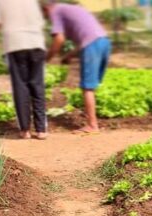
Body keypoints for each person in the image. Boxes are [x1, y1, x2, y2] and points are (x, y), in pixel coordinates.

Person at [42, 0, 111, 133]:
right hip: (104, 42)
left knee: (87, 87)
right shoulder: (72, 8)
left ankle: (92, 125)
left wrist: (47, 58)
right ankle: (93, 121)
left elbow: (59, 39)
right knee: (92, 86)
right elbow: (88, 37)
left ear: (46, 8)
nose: (47, 18)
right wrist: (69, 55)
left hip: (93, 46)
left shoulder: (55, 10)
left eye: (44, 14)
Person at [0, 0, 48, 140]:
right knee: (37, 85)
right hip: (36, 42)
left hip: (15, 43)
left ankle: (25, 130)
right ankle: (41, 130)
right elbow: (39, 18)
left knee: (20, 86)